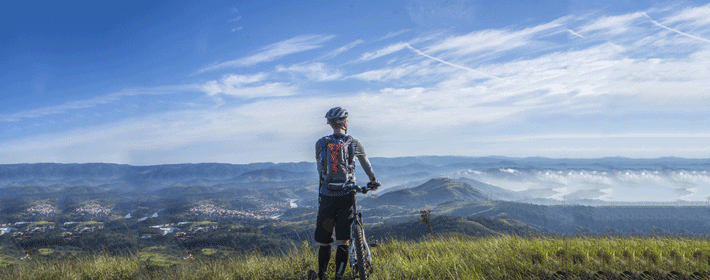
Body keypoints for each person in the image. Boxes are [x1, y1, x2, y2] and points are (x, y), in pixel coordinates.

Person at [312, 107, 379, 280]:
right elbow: (367, 166)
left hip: (327, 197)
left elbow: (320, 170)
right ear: (345, 123)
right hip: (347, 196)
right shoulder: (354, 143)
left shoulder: (320, 143)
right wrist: (373, 181)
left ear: (330, 124)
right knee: (343, 240)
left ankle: (322, 276)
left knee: (325, 241)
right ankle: (339, 276)